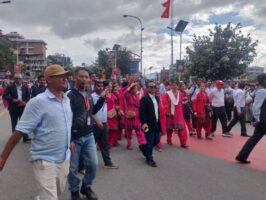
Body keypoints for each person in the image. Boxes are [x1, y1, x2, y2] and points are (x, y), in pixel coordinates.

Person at [0, 64, 72, 200]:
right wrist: (3, 157)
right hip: (44, 160)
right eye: (60, 76)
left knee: (59, 190)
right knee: (51, 197)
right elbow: (19, 131)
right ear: (48, 79)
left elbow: (66, 125)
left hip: (64, 158)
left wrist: (71, 141)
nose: (65, 79)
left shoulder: (66, 100)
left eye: (65, 76)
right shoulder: (37, 102)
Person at [67, 68, 106, 200]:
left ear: (90, 79)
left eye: (86, 77)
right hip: (74, 137)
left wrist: (101, 99)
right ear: (74, 78)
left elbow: (91, 111)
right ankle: (74, 191)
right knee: (73, 168)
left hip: (89, 135)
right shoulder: (70, 96)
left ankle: (86, 187)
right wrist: (69, 138)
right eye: (81, 77)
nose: (84, 79)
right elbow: (65, 118)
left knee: (93, 164)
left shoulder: (88, 94)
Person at [236, 73, 266, 164]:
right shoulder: (262, 91)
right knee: (254, 138)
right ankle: (241, 156)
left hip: (262, 118)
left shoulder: (259, 90)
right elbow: (256, 106)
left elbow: (251, 101)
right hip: (263, 119)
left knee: (254, 138)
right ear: (264, 81)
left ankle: (242, 156)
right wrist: (256, 119)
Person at [92, 80, 118, 169]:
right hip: (95, 125)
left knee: (104, 145)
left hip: (104, 123)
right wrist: (96, 121)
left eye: (101, 86)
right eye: (98, 86)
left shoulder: (105, 96)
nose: (100, 88)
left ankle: (108, 163)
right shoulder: (92, 97)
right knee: (91, 145)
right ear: (94, 87)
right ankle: (83, 165)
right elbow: (91, 112)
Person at [3, 73, 31, 143]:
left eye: (19, 78)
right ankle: (14, 139)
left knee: (24, 123)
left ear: (21, 79)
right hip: (13, 108)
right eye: (16, 78)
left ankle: (25, 137)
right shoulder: (10, 87)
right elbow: (5, 96)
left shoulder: (25, 87)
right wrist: (12, 99)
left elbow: (28, 96)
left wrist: (25, 102)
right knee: (14, 123)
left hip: (22, 108)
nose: (18, 80)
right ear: (14, 79)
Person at [139, 81, 161, 167]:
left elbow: (157, 111)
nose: (152, 89)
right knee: (149, 141)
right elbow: (142, 112)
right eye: (151, 87)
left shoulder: (157, 98)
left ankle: (143, 147)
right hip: (147, 124)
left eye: (154, 87)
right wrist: (143, 123)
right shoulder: (144, 99)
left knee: (156, 140)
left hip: (156, 123)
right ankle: (149, 158)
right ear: (147, 88)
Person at [123, 82, 147, 150]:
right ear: (131, 89)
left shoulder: (137, 96)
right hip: (129, 114)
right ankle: (129, 144)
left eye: (136, 88)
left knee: (139, 130)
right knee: (129, 131)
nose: (136, 90)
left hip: (136, 115)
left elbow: (139, 105)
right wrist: (129, 87)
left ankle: (143, 143)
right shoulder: (128, 95)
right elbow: (123, 94)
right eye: (135, 89)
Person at [165, 80, 188, 148]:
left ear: (178, 86)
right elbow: (165, 103)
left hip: (179, 113)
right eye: (173, 85)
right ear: (170, 86)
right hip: (170, 113)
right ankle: (169, 140)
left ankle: (183, 142)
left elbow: (182, 102)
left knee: (182, 128)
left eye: (175, 85)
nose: (174, 87)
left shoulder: (180, 94)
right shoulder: (167, 94)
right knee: (169, 129)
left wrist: (185, 101)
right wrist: (166, 112)